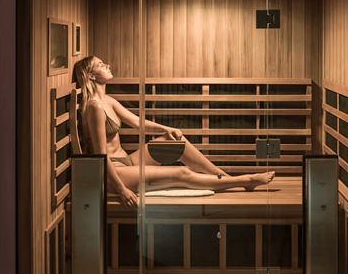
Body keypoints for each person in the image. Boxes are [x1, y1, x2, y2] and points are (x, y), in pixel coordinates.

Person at [72, 55, 274, 210]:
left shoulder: (109, 101)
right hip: (113, 172)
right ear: (91, 75)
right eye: (101, 65)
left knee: (177, 143)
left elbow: (137, 123)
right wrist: (121, 189)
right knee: (181, 172)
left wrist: (166, 129)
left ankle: (225, 177)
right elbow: (101, 156)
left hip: (127, 162)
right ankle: (245, 181)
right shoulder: (95, 107)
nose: (107, 65)